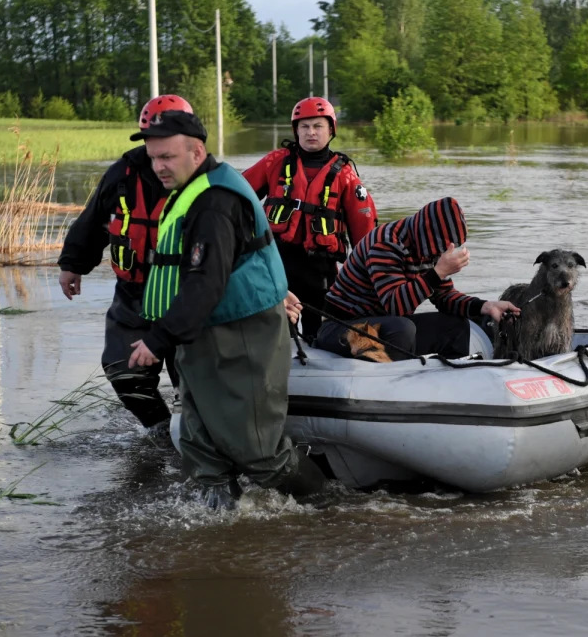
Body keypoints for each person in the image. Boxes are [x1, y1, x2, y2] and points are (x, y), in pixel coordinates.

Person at [124, 106, 324, 510]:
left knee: (260, 453)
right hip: (201, 330)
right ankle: (218, 527)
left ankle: (329, 508)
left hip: (242, 333)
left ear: (196, 153)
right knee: (202, 445)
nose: (158, 166)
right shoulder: (192, 187)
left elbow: (206, 281)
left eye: (167, 157)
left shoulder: (213, 202)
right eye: (153, 157)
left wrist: (159, 339)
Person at [58, 95, 190, 432]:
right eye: (152, 140)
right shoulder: (122, 175)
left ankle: (194, 433)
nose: (158, 151)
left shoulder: (205, 180)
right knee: (123, 370)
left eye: (168, 142)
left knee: (193, 380)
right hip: (134, 293)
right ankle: (161, 431)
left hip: (188, 294)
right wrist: (73, 264)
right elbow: (93, 220)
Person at [317, 197, 519, 360]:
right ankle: (388, 381)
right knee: (402, 328)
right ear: (429, 233)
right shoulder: (385, 244)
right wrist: (438, 273)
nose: (446, 250)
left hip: (383, 325)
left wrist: (485, 307)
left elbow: (445, 297)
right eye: (445, 243)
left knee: (456, 326)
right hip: (342, 326)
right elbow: (395, 306)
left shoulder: (426, 249)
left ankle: (444, 380)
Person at [243, 96, 378, 340]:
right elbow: (237, 196)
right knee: (278, 331)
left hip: (321, 269)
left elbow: (365, 236)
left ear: (330, 130)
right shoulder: (275, 162)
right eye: (304, 126)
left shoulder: (345, 176)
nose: (311, 133)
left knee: (321, 333)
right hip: (277, 265)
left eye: (317, 126)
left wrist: (368, 278)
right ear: (296, 130)